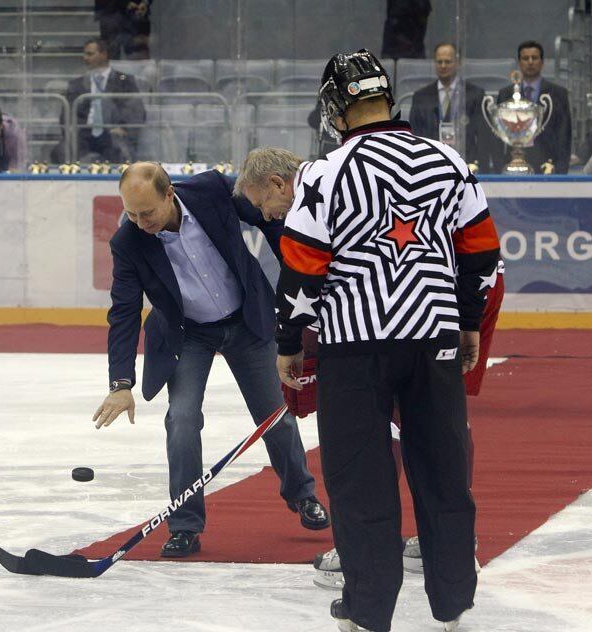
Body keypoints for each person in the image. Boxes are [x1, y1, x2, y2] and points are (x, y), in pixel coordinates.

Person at [274, 49, 499, 632]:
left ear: (335, 106)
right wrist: (468, 320)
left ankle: (367, 610)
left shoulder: (326, 172)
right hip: (434, 338)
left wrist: (288, 340)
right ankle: (453, 603)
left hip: (355, 345)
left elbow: (301, 267)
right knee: (443, 470)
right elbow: (481, 252)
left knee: (360, 478)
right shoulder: (448, 159)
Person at [93, 162, 329, 558]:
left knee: (275, 414)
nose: (138, 222)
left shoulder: (211, 190)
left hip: (246, 319)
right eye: (131, 213)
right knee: (181, 420)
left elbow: (267, 216)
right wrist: (121, 383)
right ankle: (185, 525)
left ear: (170, 194)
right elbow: (123, 312)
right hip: (188, 335)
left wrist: (295, 273)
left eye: (146, 212)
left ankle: (302, 494)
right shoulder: (128, 242)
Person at [53, 38, 146, 163]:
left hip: (112, 132)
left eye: (90, 54)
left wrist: (124, 128)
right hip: (83, 133)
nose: (85, 58)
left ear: (104, 54)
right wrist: (72, 131)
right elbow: (66, 114)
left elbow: (136, 109)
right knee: (60, 150)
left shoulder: (124, 81)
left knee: (119, 149)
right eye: (85, 54)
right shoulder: (76, 84)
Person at [409, 42, 494, 170]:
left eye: (448, 62)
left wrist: (482, 169)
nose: (443, 66)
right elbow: (414, 135)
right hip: (429, 166)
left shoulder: (475, 94)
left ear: (458, 63)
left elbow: (483, 138)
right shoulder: (420, 96)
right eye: (439, 62)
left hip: (467, 165)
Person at [495, 40, 572, 174]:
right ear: (519, 63)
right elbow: (498, 137)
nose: (530, 62)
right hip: (513, 166)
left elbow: (564, 136)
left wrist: (560, 172)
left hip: (548, 166)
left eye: (534, 58)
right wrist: (500, 168)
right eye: (525, 58)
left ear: (542, 62)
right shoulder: (506, 94)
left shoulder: (558, 94)